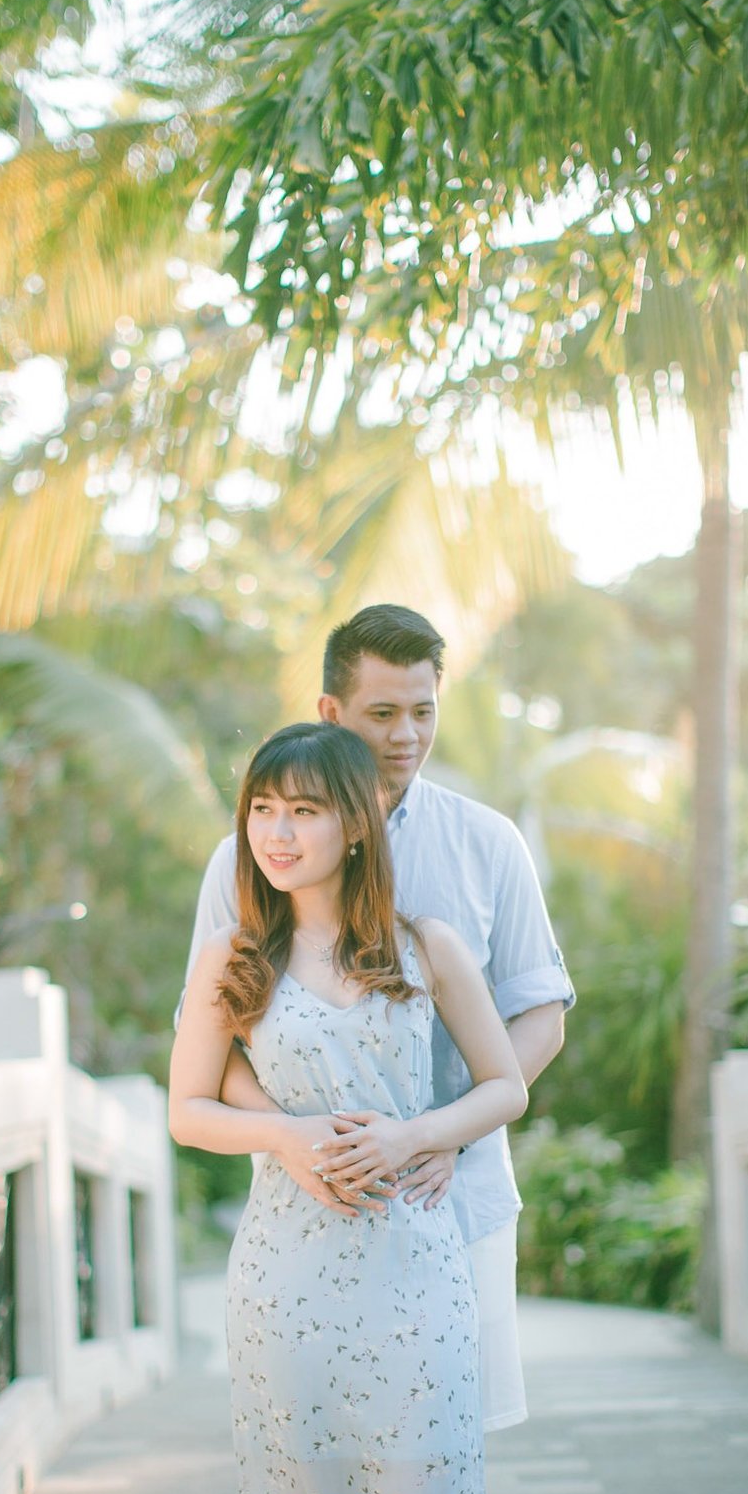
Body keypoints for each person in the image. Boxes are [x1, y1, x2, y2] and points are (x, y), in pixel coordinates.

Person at [169, 721, 551, 1494]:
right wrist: (283, 1138)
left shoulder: (427, 945)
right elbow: (187, 1107)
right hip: (286, 1281)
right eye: (261, 811)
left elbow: (505, 1082)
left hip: (413, 1268)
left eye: (304, 811)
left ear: (355, 822)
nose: (278, 834)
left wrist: (417, 1134)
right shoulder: (237, 956)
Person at [184, 603, 575, 1431]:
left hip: (455, 1195)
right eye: (383, 714)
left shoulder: (487, 842)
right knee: (318, 1463)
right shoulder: (251, 854)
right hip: (310, 1208)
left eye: (423, 712)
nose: (405, 736)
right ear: (331, 713)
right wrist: (307, 1141)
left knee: (444, 1451)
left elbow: (539, 1018)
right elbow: (215, 1042)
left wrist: (437, 1133)